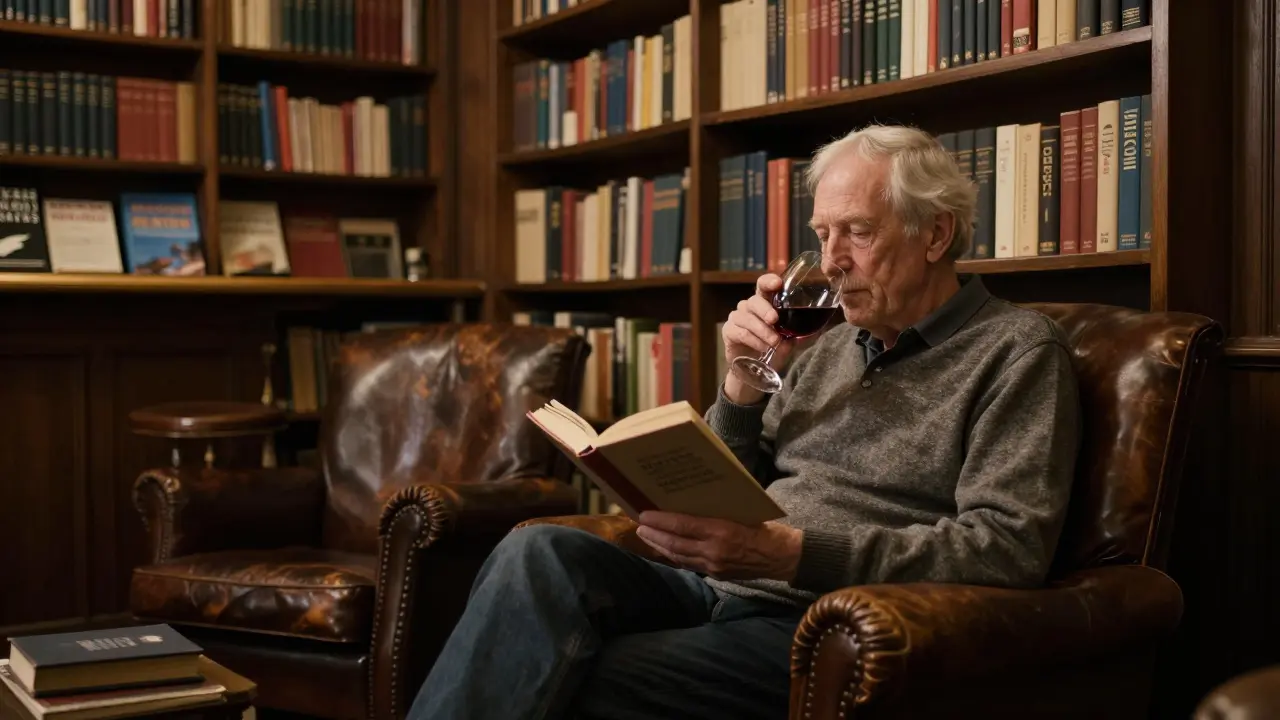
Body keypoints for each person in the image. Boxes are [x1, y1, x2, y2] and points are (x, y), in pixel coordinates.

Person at [405, 124, 1081, 720]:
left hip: (823, 615)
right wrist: (743, 380)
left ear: (935, 234)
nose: (834, 260)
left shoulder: (1016, 351)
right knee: (536, 551)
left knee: (572, 668)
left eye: (859, 232)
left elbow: (1007, 546)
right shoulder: (827, 343)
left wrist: (790, 554)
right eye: (822, 235)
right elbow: (726, 477)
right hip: (714, 583)